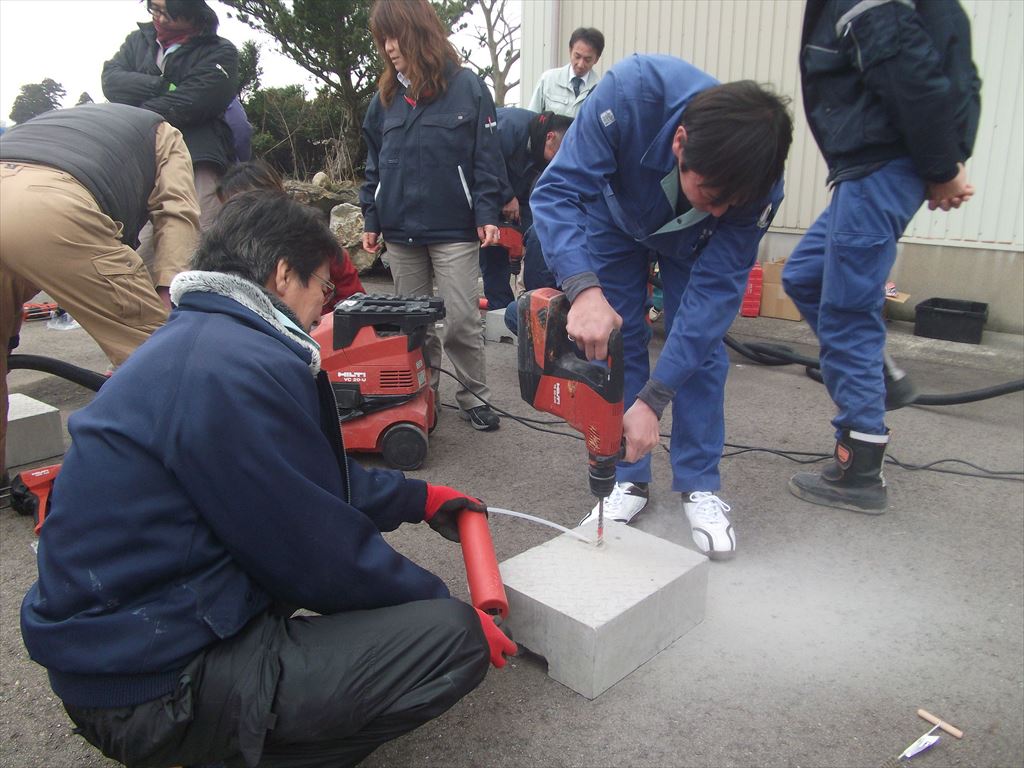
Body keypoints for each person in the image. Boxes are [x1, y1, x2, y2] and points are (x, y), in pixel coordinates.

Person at [20, 192, 515, 768]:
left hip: (125, 652)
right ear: (284, 275)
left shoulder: (202, 342)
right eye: (322, 291)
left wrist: (418, 497)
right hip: (155, 689)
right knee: (447, 639)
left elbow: (296, 476)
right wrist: (451, 611)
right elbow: (316, 553)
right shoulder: (237, 366)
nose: (322, 312)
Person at [531, 55, 793, 560]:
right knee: (613, 339)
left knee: (701, 347)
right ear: (680, 144)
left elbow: (714, 295)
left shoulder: (755, 185)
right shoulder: (628, 96)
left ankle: (699, 483)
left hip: (693, 246)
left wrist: (653, 399)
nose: (717, 210)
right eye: (711, 194)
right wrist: (584, 290)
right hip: (616, 217)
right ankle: (626, 478)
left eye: (729, 205)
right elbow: (556, 192)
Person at [783, 0, 980, 513]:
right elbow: (954, 68)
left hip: (881, 165)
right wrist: (943, 159)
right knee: (806, 275)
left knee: (848, 312)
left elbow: (906, 66)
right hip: (868, 168)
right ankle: (880, 377)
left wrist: (942, 164)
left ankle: (860, 468)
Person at [0, 102, 200, 491]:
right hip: (48, 205)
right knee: (165, 365)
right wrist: (168, 291)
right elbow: (176, 212)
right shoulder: (164, 133)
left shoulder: (56, 121)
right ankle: (198, 482)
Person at [361, 0, 507, 432]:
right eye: (382, 38)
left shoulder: (468, 88)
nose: (388, 47)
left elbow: (487, 159)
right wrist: (371, 216)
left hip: (455, 230)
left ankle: (474, 395)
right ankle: (422, 397)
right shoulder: (385, 98)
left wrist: (488, 212)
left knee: (462, 318)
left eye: (396, 36)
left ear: (421, 32)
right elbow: (373, 161)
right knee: (414, 324)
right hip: (400, 231)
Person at [102, 0, 239, 249]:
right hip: (140, 158)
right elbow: (111, 81)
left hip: (196, 157)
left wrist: (138, 109)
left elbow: (196, 100)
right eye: (154, 8)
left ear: (193, 14)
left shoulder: (220, 52)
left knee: (195, 241)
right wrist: (161, 85)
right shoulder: (138, 41)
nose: (160, 18)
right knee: (137, 246)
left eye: (169, 13)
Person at [215, 159, 366, 310]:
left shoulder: (319, 247)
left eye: (244, 209)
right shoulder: (224, 258)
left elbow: (357, 308)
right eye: (228, 211)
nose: (235, 219)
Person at [479, 108, 573, 313]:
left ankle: (538, 304)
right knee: (492, 246)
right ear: (550, 137)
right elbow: (485, 162)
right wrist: (505, 195)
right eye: (558, 153)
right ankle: (500, 307)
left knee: (537, 239)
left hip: (521, 195)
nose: (558, 160)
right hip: (488, 192)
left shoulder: (543, 151)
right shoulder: (509, 127)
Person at [527, 27, 605, 118]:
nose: (580, 64)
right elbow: (531, 118)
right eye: (577, 56)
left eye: (587, 59)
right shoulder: (548, 80)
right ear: (570, 50)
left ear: (596, 59)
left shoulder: (601, 90)